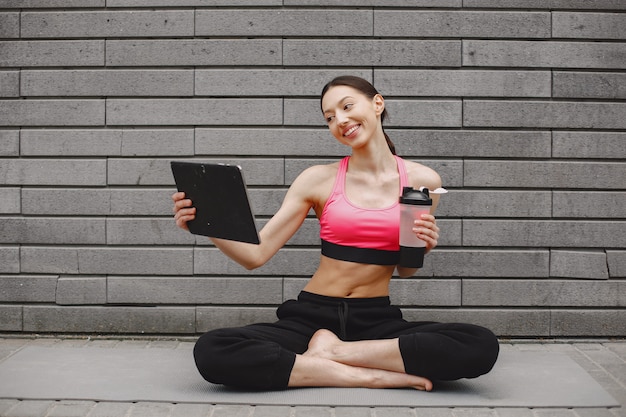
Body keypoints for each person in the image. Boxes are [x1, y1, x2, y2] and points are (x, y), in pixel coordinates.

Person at [172, 75, 499, 391]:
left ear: (377, 104)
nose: (340, 120)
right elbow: (255, 255)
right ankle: (365, 376)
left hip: (375, 318)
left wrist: (421, 247)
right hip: (312, 316)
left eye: (346, 106)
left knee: (479, 345)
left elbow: (406, 269)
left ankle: (334, 356)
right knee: (213, 350)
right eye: (330, 117)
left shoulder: (422, 180)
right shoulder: (317, 179)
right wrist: (207, 224)